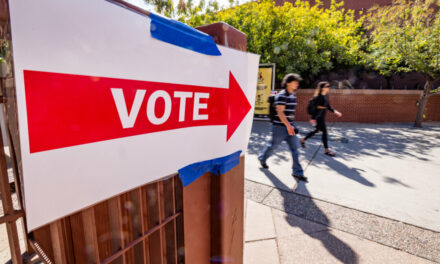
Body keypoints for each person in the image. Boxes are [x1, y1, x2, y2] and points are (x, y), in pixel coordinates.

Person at [258, 73, 307, 182]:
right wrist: (289, 126)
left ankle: (297, 172)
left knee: (295, 149)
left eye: (297, 83)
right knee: (273, 146)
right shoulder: (281, 95)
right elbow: (280, 113)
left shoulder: (293, 95)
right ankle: (262, 158)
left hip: (290, 126)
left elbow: (290, 113)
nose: (297, 84)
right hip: (279, 127)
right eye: (295, 82)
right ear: (288, 83)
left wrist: (291, 125)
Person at [300, 81, 342, 156]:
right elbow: (316, 108)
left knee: (317, 130)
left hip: (322, 116)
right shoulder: (318, 97)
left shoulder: (326, 95)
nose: (328, 87)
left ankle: (303, 140)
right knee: (324, 132)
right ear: (322, 88)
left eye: (329, 86)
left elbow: (328, 106)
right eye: (327, 86)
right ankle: (326, 150)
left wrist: (336, 112)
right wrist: (313, 118)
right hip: (319, 117)